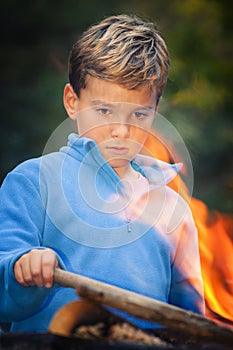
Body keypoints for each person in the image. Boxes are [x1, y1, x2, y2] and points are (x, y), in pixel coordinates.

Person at [0, 14, 205, 332]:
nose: (121, 131)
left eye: (138, 114)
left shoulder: (174, 209)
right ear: (72, 101)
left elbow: (191, 324)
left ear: (155, 111)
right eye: (105, 111)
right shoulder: (32, 182)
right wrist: (19, 267)